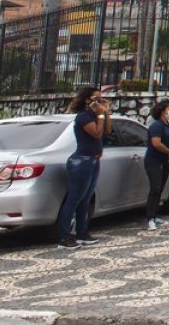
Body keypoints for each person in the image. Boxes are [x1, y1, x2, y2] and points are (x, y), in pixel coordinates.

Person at [56, 87, 111, 249]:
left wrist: (106, 113)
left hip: (93, 160)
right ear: (87, 100)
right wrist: (100, 115)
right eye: (96, 99)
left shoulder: (95, 116)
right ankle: (65, 237)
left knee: (85, 200)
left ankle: (82, 233)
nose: (99, 102)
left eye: (101, 99)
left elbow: (107, 130)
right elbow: (96, 133)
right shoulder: (84, 117)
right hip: (82, 161)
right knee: (74, 199)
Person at [144, 98, 169, 231]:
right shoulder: (156, 126)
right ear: (163, 111)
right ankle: (150, 218)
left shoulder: (168, 125)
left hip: (165, 162)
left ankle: (155, 215)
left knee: (161, 188)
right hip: (154, 161)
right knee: (155, 188)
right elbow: (156, 143)